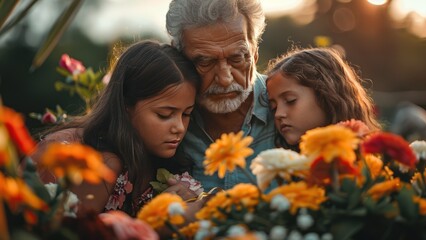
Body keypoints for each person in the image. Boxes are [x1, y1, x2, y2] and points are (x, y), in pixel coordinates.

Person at [30, 40, 201, 217]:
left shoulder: (160, 160)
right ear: (126, 104)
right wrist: (155, 222)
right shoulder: (98, 162)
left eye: (187, 114)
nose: (179, 128)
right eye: (164, 115)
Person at [166, 0, 276, 191]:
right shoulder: (162, 119)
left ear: (255, 52)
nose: (225, 79)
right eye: (206, 62)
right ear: (178, 57)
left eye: (237, 58)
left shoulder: (292, 107)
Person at [265, 47, 381, 151]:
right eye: (273, 108)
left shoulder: (370, 164)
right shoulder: (281, 169)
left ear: (326, 95)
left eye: (290, 100)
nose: (278, 114)